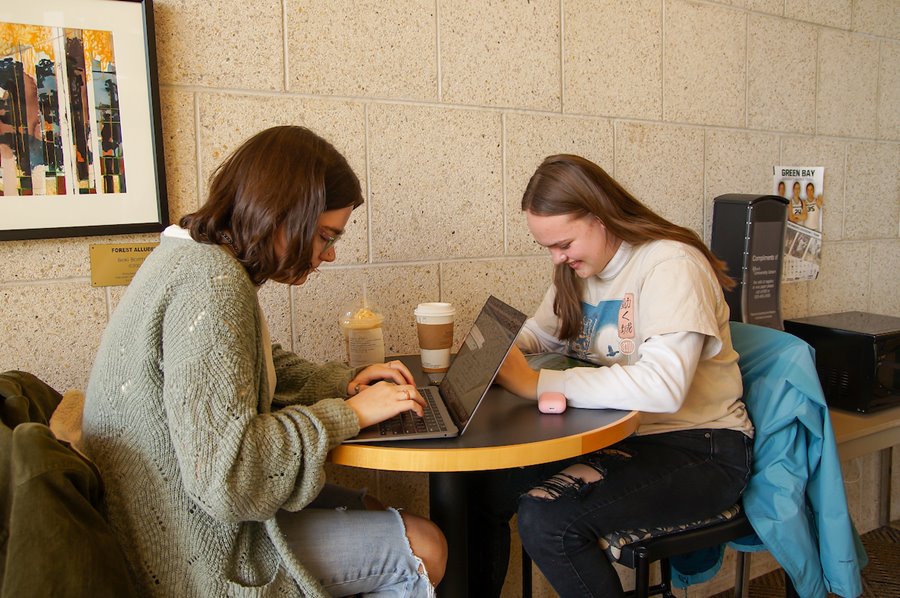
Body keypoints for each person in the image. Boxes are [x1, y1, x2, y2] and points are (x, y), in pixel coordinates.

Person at [82, 125, 447, 597]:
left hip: (179, 517)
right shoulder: (211, 285)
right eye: (323, 236)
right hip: (193, 547)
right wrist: (349, 414)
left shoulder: (190, 255)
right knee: (428, 547)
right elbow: (226, 476)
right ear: (279, 216)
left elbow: (246, 365)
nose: (329, 255)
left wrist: (346, 381)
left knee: (377, 508)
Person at [467, 154, 753, 597]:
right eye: (548, 248)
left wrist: (535, 383)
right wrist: (490, 356)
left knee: (547, 521)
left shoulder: (671, 264)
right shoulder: (580, 270)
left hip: (700, 447)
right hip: (621, 438)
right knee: (482, 487)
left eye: (563, 244)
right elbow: (538, 336)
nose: (558, 259)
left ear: (599, 216)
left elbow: (664, 386)